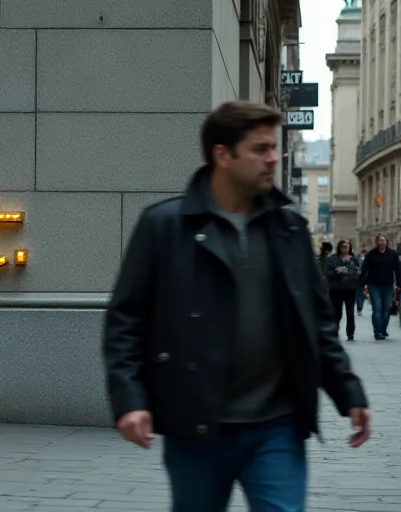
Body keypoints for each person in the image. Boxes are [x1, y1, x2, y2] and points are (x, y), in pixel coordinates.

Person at [103, 100, 370, 511]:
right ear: (222, 155)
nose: (272, 159)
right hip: (197, 426)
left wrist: (348, 391)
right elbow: (125, 320)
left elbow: (316, 323)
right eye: (260, 149)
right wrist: (130, 399)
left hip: (278, 426)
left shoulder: (289, 228)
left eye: (274, 148)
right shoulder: (166, 226)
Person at [359, 234, 401, 340]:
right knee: (377, 309)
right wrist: (362, 284)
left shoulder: (392, 254)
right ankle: (377, 331)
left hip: (387, 285)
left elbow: (398, 270)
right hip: (374, 285)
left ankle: (383, 330)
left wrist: (399, 284)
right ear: (377, 242)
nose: (382, 242)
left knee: (386, 309)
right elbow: (365, 270)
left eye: (383, 240)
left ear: (386, 242)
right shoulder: (371, 255)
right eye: (380, 240)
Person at [324, 240, 361, 341]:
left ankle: (350, 333)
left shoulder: (354, 258)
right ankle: (334, 331)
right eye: (343, 246)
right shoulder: (332, 259)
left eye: (347, 246)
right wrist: (337, 271)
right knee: (337, 313)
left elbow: (358, 272)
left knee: (350, 312)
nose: (345, 248)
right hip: (336, 289)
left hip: (350, 289)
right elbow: (327, 272)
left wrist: (352, 274)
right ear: (339, 247)